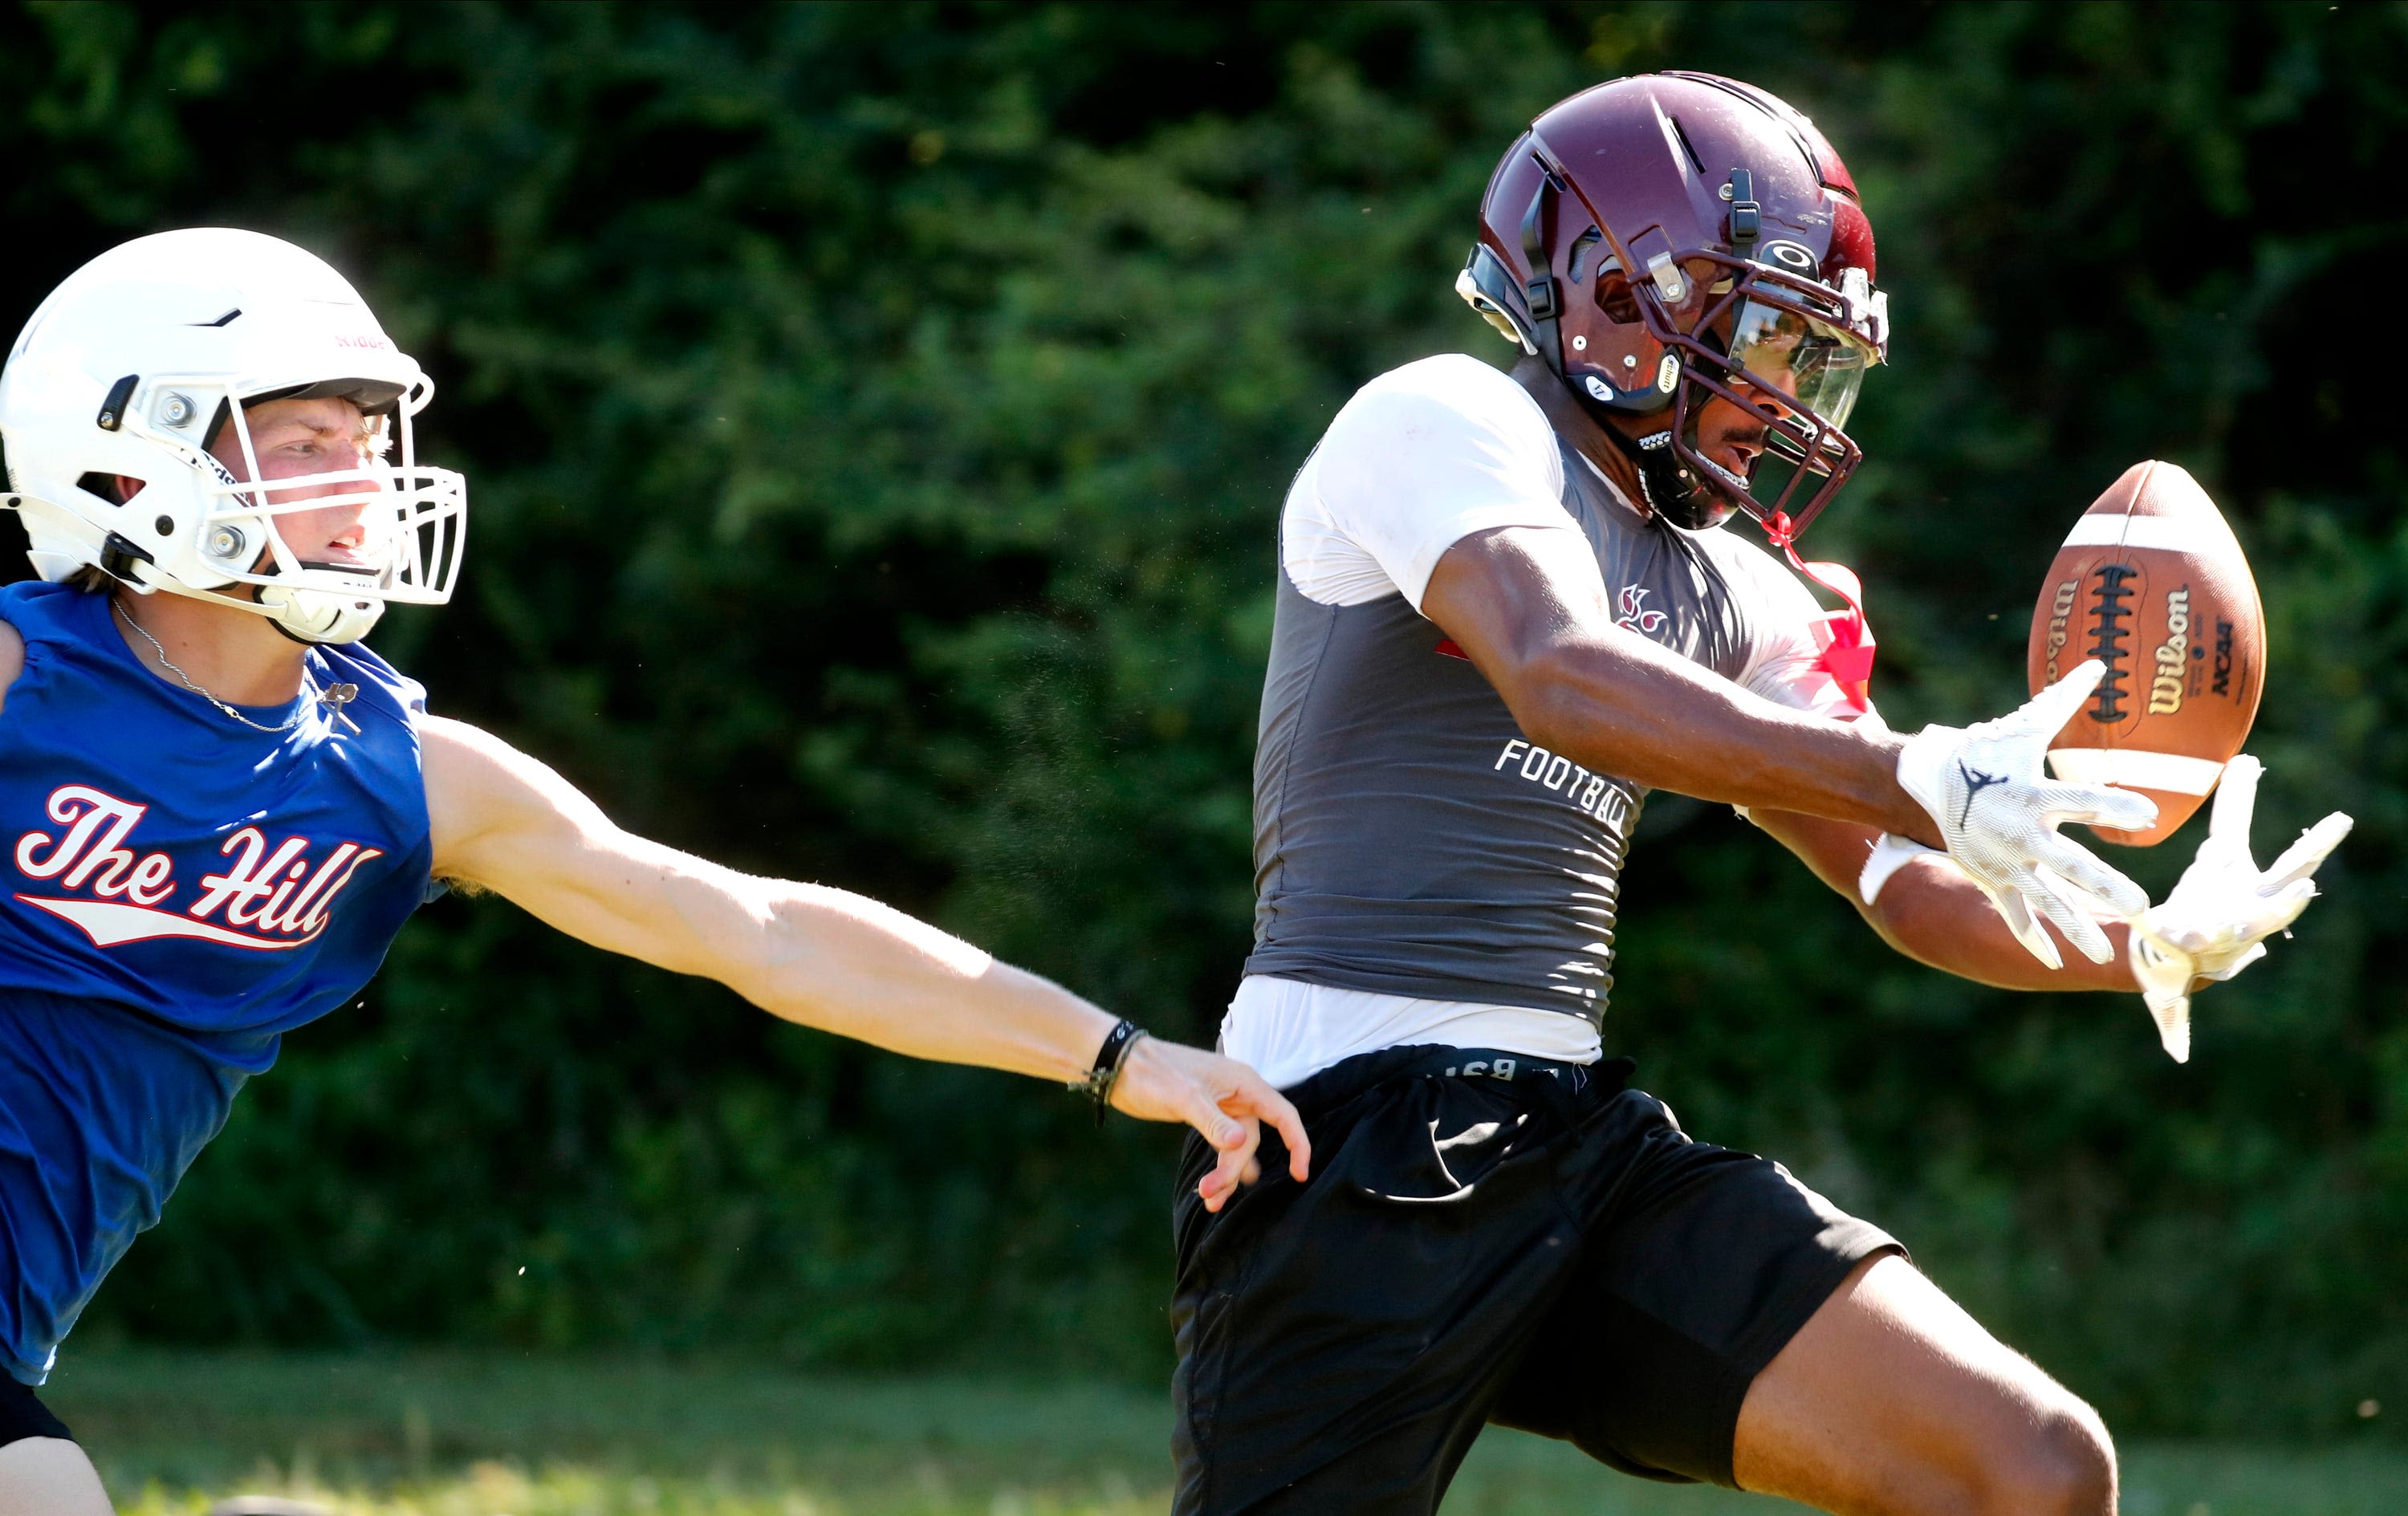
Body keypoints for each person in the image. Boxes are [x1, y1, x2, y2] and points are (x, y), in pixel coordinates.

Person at [1170, 72, 2349, 1516]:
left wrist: (2141, 939)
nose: (1788, 392)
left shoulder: (1733, 582)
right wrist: (1917, 770)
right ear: (1618, 292)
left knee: (2028, 1468)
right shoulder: (1445, 417)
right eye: (1768, 335)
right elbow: (1560, 670)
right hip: (1334, 1145)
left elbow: (1902, 879)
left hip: (1573, 1144)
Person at [0, 227, 1312, 1514]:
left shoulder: (403, 772)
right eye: (303, 444)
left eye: (364, 440)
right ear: (128, 469)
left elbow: (763, 932)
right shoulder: (22, 679)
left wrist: (1116, 1051)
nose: (358, 483)